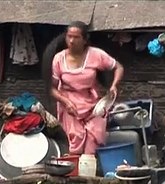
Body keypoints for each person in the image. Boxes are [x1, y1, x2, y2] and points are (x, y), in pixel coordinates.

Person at [50, 21, 124, 155]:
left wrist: (114, 86)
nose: (71, 41)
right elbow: (52, 89)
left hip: (93, 106)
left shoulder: (96, 55)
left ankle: (90, 172)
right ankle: (75, 173)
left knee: (93, 143)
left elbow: (118, 67)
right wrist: (65, 102)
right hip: (70, 107)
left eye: (76, 37)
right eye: (69, 36)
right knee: (76, 142)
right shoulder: (59, 59)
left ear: (85, 40)